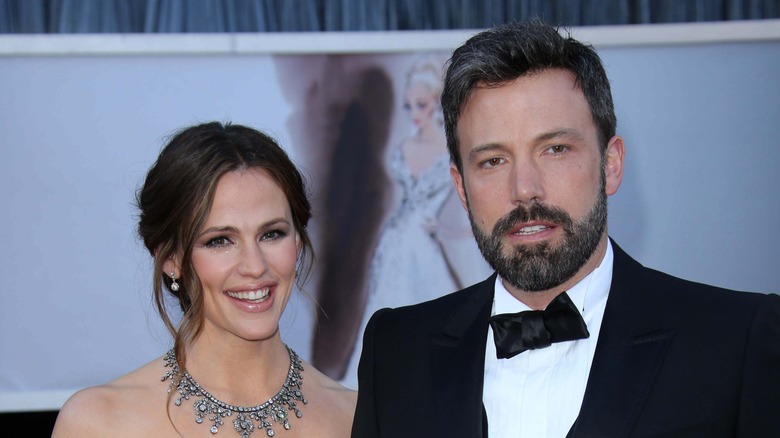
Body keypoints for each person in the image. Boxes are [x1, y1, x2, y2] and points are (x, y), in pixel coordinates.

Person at [351, 19, 780, 437]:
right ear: (461, 187)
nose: (525, 190)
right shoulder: (396, 352)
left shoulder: (735, 342)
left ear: (610, 165)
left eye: (555, 149)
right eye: (493, 161)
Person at [52, 121, 356, 437]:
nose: (254, 266)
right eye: (220, 240)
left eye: (271, 234)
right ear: (171, 259)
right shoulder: (100, 422)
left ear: (296, 242)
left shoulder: (353, 418)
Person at [340, 55, 481, 388]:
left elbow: (468, 214)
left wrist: (444, 231)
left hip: (425, 241)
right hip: (395, 239)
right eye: (409, 107)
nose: (415, 115)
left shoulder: (451, 150)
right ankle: (381, 387)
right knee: (385, 310)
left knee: (433, 312)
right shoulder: (404, 147)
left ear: (436, 103)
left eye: (421, 105)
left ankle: (435, 386)